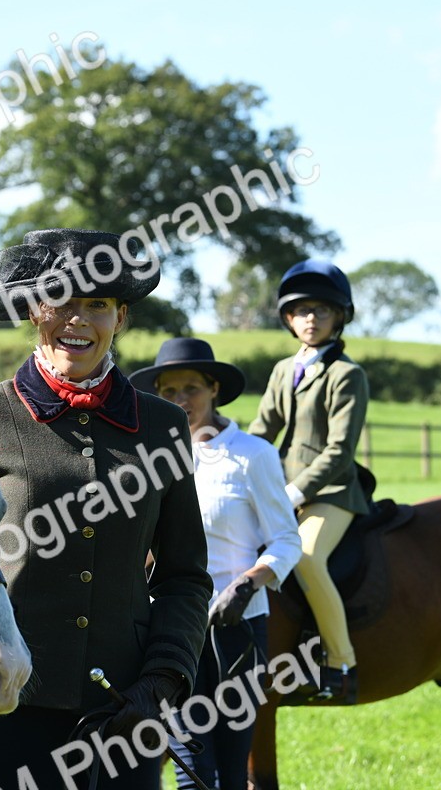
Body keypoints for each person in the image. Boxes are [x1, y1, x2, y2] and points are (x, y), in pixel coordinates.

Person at [0, 229, 212, 789]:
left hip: (124, 713)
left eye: (96, 304)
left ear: (120, 318)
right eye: (61, 300)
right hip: (9, 703)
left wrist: (162, 680)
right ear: (32, 311)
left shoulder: (164, 426)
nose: (78, 319)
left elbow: (185, 576)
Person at [130, 337, 302, 790]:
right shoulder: (148, 460)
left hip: (237, 629)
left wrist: (246, 585)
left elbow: (286, 541)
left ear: (214, 390)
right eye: (169, 391)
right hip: (170, 626)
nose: (181, 400)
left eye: (192, 388)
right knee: (190, 764)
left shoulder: (253, 455)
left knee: (230, 764)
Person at [247, 258, 369, 704]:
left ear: (339, 317)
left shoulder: (347, 374)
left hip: (332, 493)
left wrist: (295, 492)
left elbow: (340, 451)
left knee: (308, 558)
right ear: (288, 318)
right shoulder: (284, 369)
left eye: (321, 310)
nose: (311, 319)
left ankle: (342, 663)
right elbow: (262, 430)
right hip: (281, 488)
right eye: (301, 311)